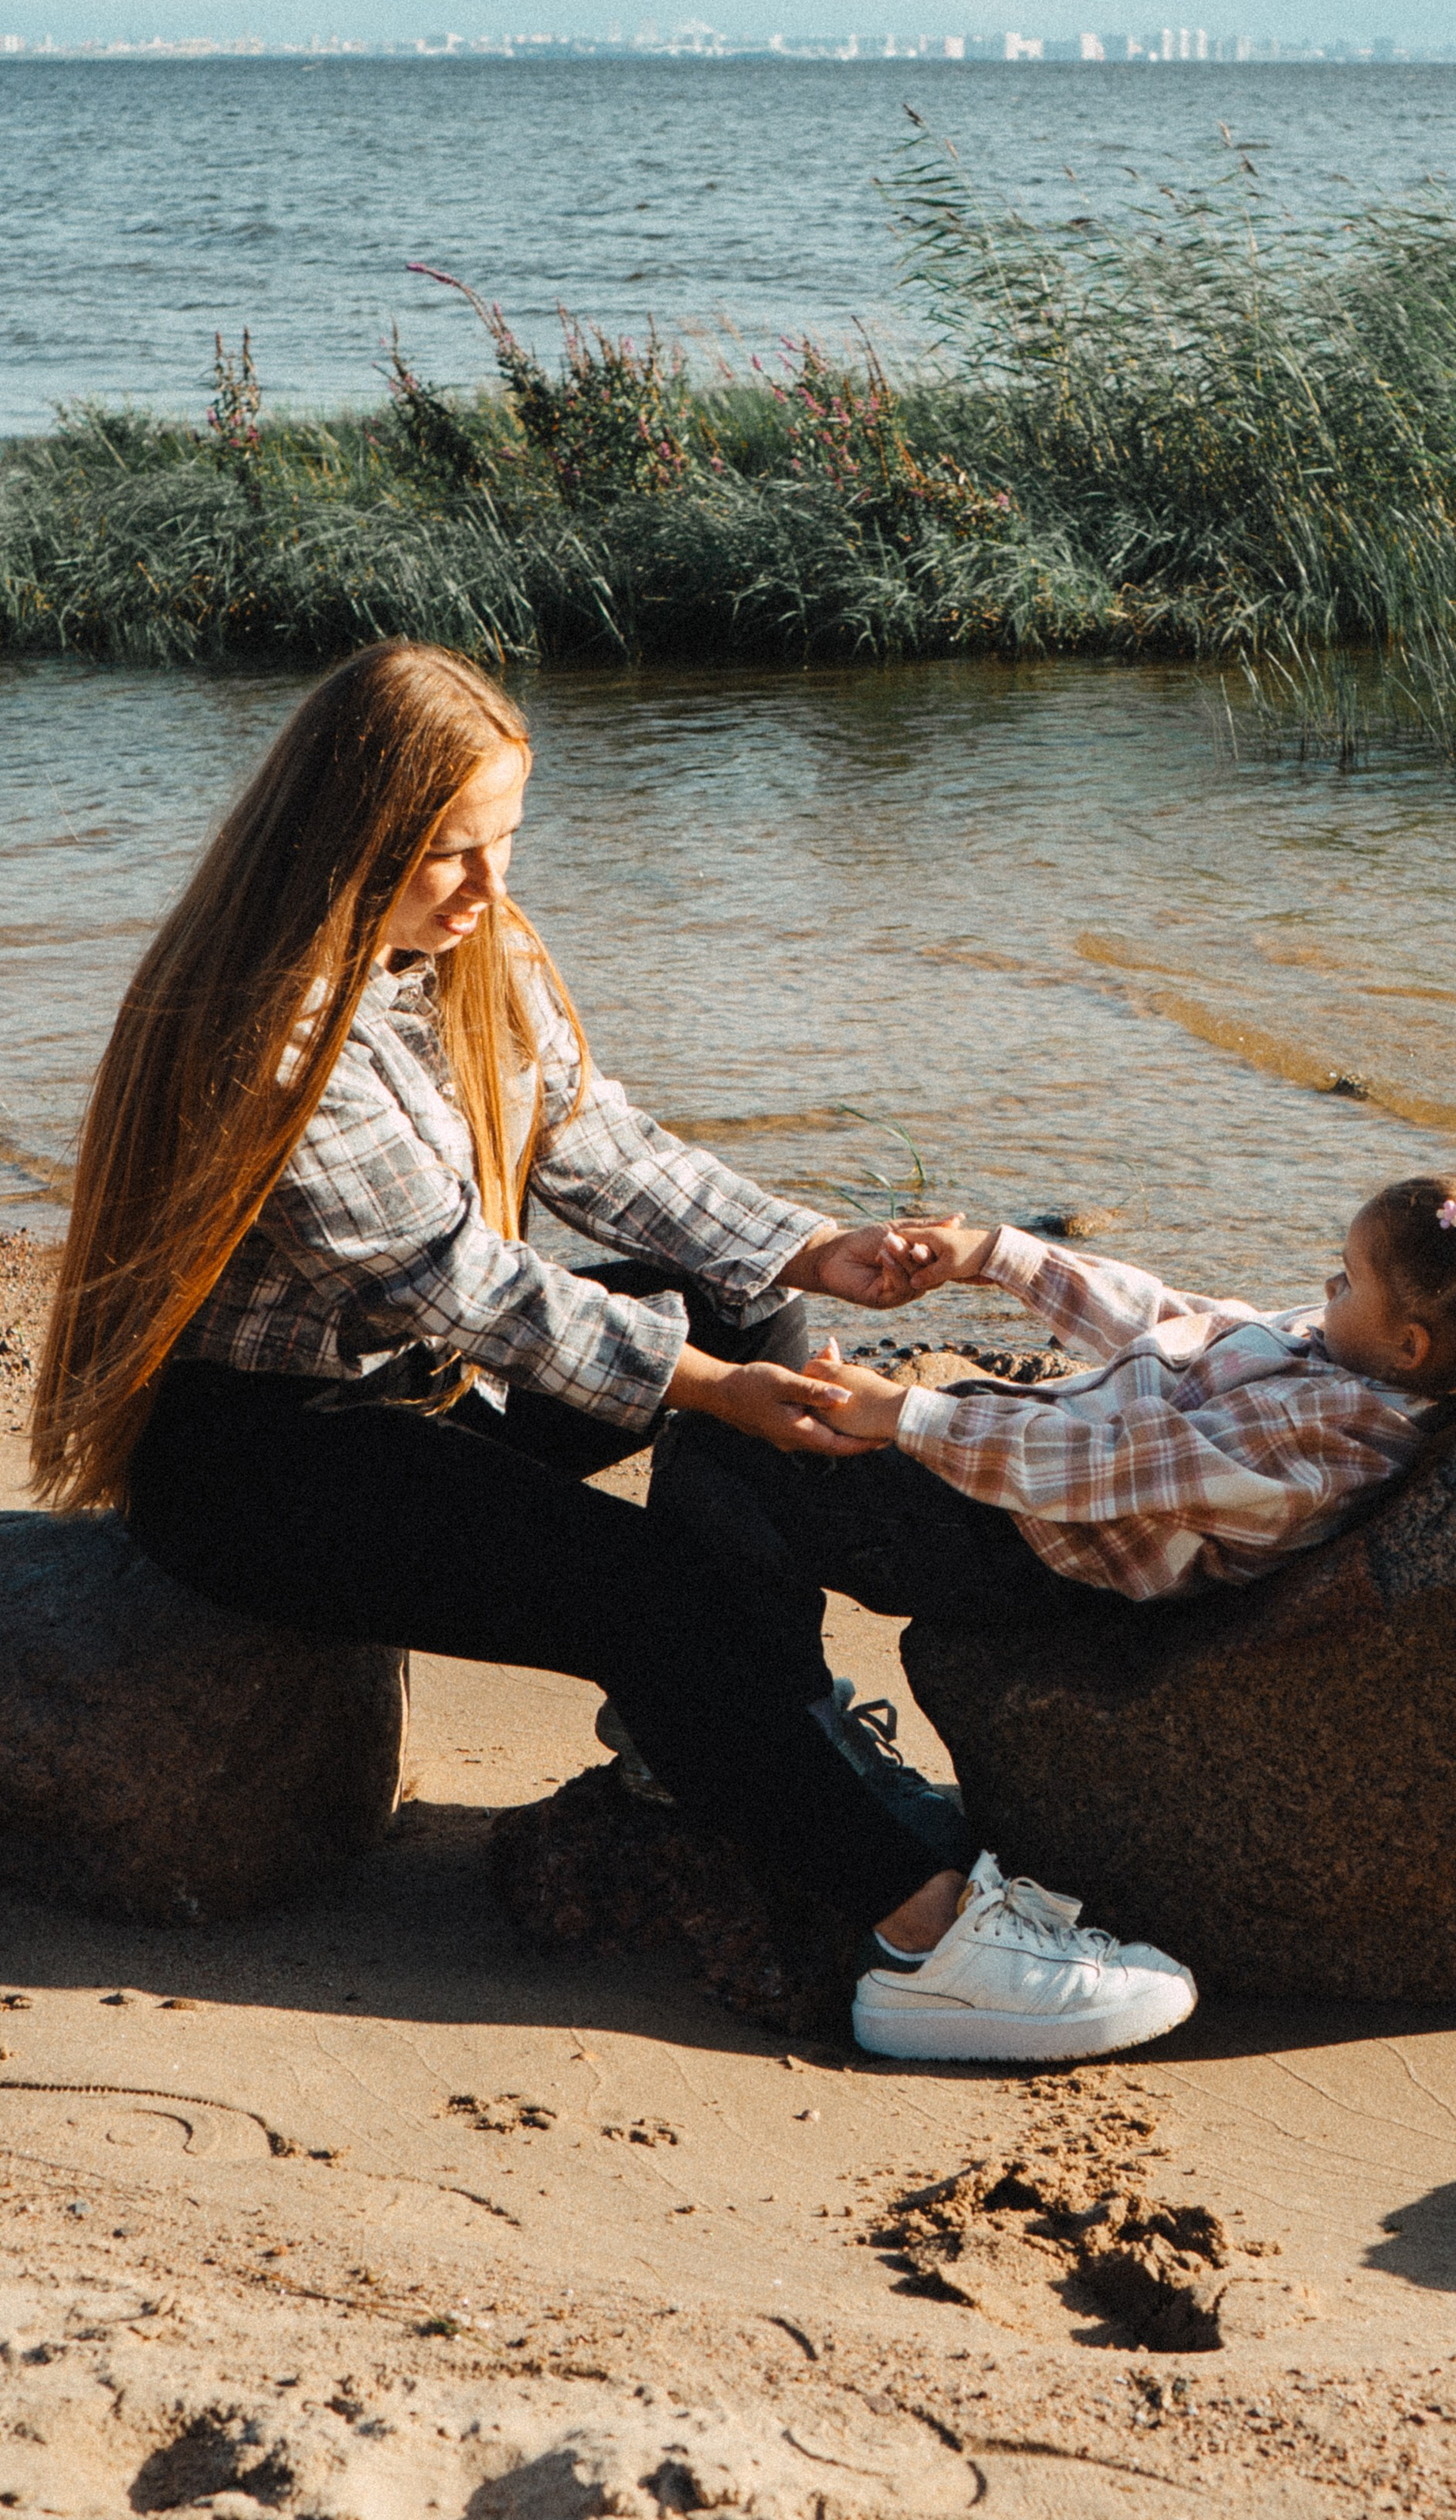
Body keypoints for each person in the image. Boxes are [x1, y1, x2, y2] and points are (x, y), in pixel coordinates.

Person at [29, 638, 1197, 2066]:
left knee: (737, 1299)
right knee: (641, 1585)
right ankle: (922, 1936)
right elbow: (462, 1284)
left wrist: (801, 1249)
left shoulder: (472, 950)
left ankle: (712, 1740)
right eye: (449, 855)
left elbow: (594, 1142)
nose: (489, 888)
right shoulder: (268, 1034)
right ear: (344, 841)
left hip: (422, 1396)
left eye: (506, 841)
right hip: (261, 1460)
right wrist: (710, 1395)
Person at [648, 1168, 1456, 2032]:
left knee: (722, 1448)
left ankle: (773, 1717)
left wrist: (900, 1414)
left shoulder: (1333, 1444)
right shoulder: (1344, 1354)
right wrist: (998, 1255)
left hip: (1030, 1554)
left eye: (1348, 1277)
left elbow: (1100, 1471)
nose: (1324, 1286)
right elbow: (1172, 1321)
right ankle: (727, 1685)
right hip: (1024, 1478)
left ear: (1415, 1346)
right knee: (747, 1385)